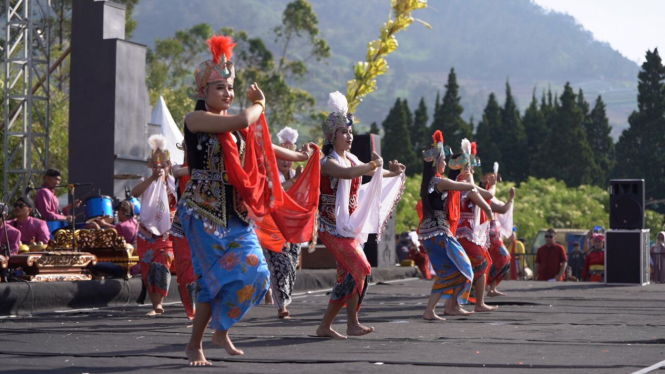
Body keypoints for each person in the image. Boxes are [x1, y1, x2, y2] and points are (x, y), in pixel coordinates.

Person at [177, 35, 277, 363]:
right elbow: (244, 118)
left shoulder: (236, 131)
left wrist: (305, 157)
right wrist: (259, 104)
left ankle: (220, 330)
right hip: (203, 210)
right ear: (202, 91)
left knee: (257, 272)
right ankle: (195, 344)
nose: (228, 93)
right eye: (220, 87)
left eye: (229, 87)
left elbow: (264, 146)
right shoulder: (196, 120)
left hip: (235, 212)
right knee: (211, 279)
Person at [315, 91, 405, 339]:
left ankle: (342, 324)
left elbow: (368, 172)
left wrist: (391, 172)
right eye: (344, 132)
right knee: (361, 266)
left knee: (349, 273)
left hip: (348, 227)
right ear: (332, 136)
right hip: (331, 227)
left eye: (351, 132)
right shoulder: (327, 162)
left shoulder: (352, 159)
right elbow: (352, 173)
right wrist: (374, 166)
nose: (350, 136)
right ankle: (344, 322)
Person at [418, 130, 484, 320]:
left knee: (447, 272)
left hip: (430, 236)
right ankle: (452, 305)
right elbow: (468, 188)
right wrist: (469, 177)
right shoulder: (439, 181)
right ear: (436, 162)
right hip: (440, 235)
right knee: (465, 268)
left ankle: (430, 310)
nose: (445, 163)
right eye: (443, 160)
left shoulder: (429, 182)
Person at [260, 126, 317, 319]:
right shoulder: (270, 174)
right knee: (280, 264)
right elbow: (274, 192)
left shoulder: (296, 175)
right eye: (283, 156)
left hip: (291, 229)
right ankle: (281, 306)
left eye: (289, 157)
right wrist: (296, 181)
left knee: (291, 267)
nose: (285, 161)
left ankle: (278, 297)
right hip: (271, 227)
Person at [131, 134, 178, 317]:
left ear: (169, 166)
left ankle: (161, 303)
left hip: (167, 233)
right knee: (148, 268)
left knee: (162, 263)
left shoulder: (174, 184)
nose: (160, 167)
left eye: (163, 164)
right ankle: (155, 304)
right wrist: (152, 178)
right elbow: (135, 193)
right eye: (156, 164)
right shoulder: (146, 182)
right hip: (146, 233)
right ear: (151, 165)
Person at [447, 140, 496, 312]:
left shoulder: (455, 183)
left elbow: (486, 194)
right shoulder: (466, 185)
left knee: (462, 269)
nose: (472, 170)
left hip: (458, 232)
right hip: (465, 234)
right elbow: (485, 200)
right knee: (481, 265)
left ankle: (453, 304)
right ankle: (478, 303)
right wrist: (489, 212)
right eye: (470, 167)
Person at [169, 144, 198, 321]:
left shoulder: (205, 168)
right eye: (187, 147)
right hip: (183, 222)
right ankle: (191, 310)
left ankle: (203, 310)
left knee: (202, 265)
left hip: (203, 220)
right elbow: (177, 172)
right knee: (184, 264)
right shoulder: (178, 167)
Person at [481, 168, 515, 297]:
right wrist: (511, 199)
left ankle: (491, 288)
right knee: (502, 257)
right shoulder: (482, 194)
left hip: (492, 234)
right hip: (487, 234)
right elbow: (502, 209)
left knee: (499, 259)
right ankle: (486, 286)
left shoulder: (488, 194)